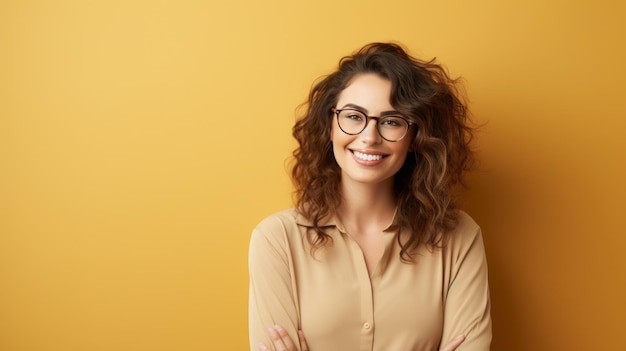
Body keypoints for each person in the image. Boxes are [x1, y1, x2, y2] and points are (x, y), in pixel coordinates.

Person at [248, 42, 491, 351]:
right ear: (330, 126)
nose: (369, 137)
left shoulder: (459, 237)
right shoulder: (276, 241)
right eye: (353, 116)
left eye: (391, 121)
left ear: (415, 137)